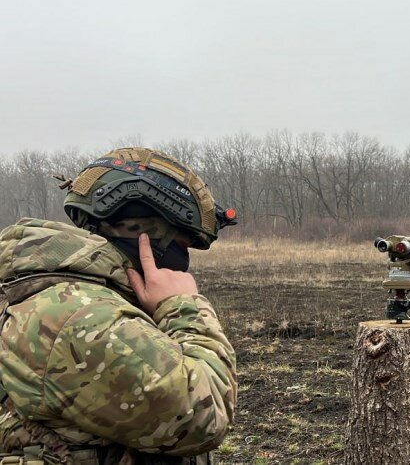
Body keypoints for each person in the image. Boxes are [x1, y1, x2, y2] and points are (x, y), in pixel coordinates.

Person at [0, 148, 238, 464]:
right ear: (144, 235)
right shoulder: (81, 316)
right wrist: (184, 306)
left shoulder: (69, 295)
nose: (183, 263)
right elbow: (201, 418)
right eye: (181, 246)